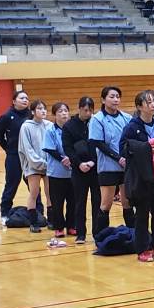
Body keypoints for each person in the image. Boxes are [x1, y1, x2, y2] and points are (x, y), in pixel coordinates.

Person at [121, 89, 154, 263]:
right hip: (142, 177)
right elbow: (124, 148)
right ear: (139, 106)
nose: (153, 105)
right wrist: (145, 147)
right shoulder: (132, 127)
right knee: (142, 215)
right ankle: (143, 248)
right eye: (149, 102)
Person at [89, 85, 132, 234]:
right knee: (106, 204)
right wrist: (118, 158)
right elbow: (98, 143)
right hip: (108, 166)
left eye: (117, 97)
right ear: (103, 100)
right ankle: (100, 236)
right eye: (112, 97)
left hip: (126, 166)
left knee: (127, 202)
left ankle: (133, 235)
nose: (115, 100)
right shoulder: (97, 119)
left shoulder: (127, 118)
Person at [63, 96, 96, 244]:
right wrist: (79, 163)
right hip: (78, 170)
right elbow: (68, 148)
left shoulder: (96, 123)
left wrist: (93, 162)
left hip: (95, 169)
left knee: (97, 202)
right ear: (80, 109)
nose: (88, 113)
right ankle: (81, 233)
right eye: (85, 110)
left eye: (90, 111)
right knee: (79, 203)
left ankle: (98, 233)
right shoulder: (69, 126)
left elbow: (99, 144)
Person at [0, 89, 32, 219]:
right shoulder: (7, 116)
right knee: (11, 184)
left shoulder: (31, 115)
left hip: (29, 156)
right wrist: (9, 149)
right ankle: (5, 211)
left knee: (33, 184)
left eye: (26, 98)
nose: (25, 100)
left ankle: (37, 209)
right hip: (14, 156)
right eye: (22, 98)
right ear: (14, 101)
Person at [18, 99, 51, 232]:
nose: (43, 111)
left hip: (48, 165)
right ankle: (33, 222)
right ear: (33, 111)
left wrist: (50, 162)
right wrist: (39, 162)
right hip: (33, 165)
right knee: (34, 193)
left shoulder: (49, 125)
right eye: (39, 108)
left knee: (50, 193)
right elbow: (27, 149)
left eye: (44, 108)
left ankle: (51, 220)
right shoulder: (26, 127)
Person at [43, 102, 73, 244]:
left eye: (66, 110)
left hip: (73, 172)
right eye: (60, 111)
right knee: (57, 202)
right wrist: (63, 159)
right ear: (54, 115)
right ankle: (59, 227)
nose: (64, 113)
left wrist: (72, 158)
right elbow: (49, 149)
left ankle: (72, 225)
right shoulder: (50, 130)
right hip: (56, 172)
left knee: (73, 201)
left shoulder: (72, 129)